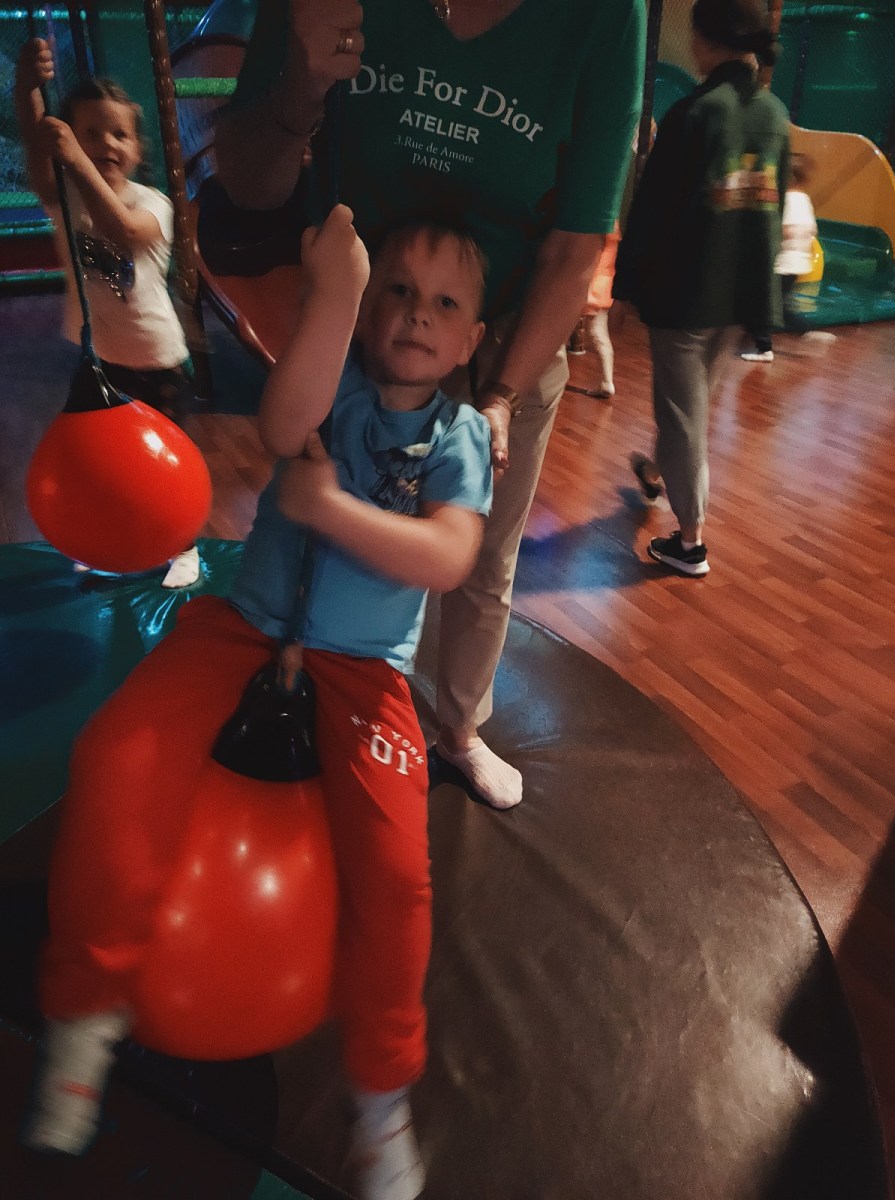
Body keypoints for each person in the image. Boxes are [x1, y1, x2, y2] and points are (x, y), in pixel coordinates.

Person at [21, 205, 493, 1200]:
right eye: (399, 291)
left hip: (364, 673)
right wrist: (339, 291)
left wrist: (333, 510)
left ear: (471, 340)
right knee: (113, 753)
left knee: (396, 871)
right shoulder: (337, 385)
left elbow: (451, 556)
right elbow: (283, 425)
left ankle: (381, 1095)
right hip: (246, 627)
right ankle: (85, 1011)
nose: (417, 314)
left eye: (445, 304)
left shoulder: (458, 437)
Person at [210, 0, 645, 809]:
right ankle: (309, 673)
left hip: (502, 332)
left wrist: (500, 395)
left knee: (486, 556)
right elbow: (248, 185)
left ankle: (458, 728)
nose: (424, 316)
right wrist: (299, 90)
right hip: (354, 315)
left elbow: (576, 245)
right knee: (314, 517)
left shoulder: (602, 16)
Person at [611, 0, 790, 577]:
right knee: (691, 407)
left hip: (685, 295)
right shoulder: (775, 116)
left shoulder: (693, 113)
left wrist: (624, 286)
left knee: (684, 415)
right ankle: (656, 473)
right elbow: (771, 211)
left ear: (707, 39)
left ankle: (689, 543)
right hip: (739, 295)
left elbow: (651, 211)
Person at [15, 41, 200, 588]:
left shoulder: (154, 204)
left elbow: (124, 231)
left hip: (158, 363)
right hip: (99, 361)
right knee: (102, 463)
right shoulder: (64, 197)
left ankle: (183, 544)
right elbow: (35, 138)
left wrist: (74, 156)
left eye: (118, 134)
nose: (105, 145)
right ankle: (109, 541)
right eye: (90, 133)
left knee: (167, 463)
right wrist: (26, 86)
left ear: (138, 149)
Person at [742, 151, 818, 362]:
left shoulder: (789, 200)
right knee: (780, 305)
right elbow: (811, 230)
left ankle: (764, 348)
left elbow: (785, 229)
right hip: (797, 264)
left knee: (766, 306)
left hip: (783, 264)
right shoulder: (804, 199)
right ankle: (806, 329)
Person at [580, 225, 622, 398]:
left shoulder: (597, 226)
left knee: (559, 330)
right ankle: (607, 381)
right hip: (604, 285)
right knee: (599, 333)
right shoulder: (613, 230)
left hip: (589, 285)